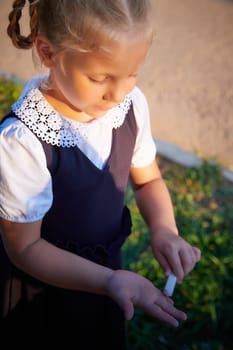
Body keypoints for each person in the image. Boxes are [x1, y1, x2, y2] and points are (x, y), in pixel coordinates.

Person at [0, 0, 201, 348]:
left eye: (133, 73)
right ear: (48, 53)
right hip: (42, 292)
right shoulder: (23, 142)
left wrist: (165, 231)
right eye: (100, 77)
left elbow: (148, 179)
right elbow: (25, 248)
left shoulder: (129, 106)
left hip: (111, 278)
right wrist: (109, 281)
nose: (119, 92)